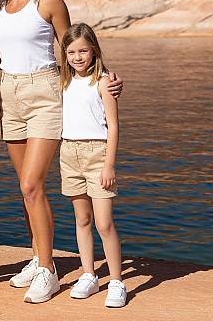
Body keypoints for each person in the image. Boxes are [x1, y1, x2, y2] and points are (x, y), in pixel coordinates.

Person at [0, 0, 123, 303]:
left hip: (45, 93)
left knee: (33, 184)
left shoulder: (47, 0)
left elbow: (74, 49)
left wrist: (106, 78)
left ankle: (48, 271)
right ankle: (38, 256)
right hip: (9, 93)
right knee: (25, 188)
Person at [59, 22, 127, 308]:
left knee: (104, 222)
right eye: (72, 52)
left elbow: (113, 126)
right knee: (82, 220)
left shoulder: (103, 82)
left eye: (83, 51)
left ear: (94, 51)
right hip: (69, 152)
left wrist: (109, 164)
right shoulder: (63, 82)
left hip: (97, 153)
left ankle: (116, 281)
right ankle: (89, 274)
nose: (78, 57)